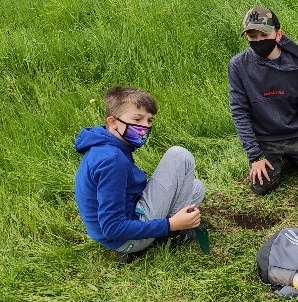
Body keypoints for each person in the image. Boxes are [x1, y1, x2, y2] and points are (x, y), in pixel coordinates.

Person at [74, 86, 205, 263]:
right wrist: (170, 225)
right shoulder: (112, 160)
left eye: (149, 120)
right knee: (179, 156)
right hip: (124, 240)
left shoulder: (106, 143)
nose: (145, 126)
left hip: (124, 224)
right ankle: (176, 232)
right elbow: (112, 228)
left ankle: (172, 223)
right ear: (112, 122)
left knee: (196, 188)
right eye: (137, 119)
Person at [228, 5, 298, 196]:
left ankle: (294, 157)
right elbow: (239, 112)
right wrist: (255, 156)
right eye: (252, 36)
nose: (259, 40)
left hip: (297, 134)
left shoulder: (297, 63)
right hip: (265, 138)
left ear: (278, 34)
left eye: (264, 35)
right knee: (261, 186)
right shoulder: (238, 65)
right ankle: (278, 159)